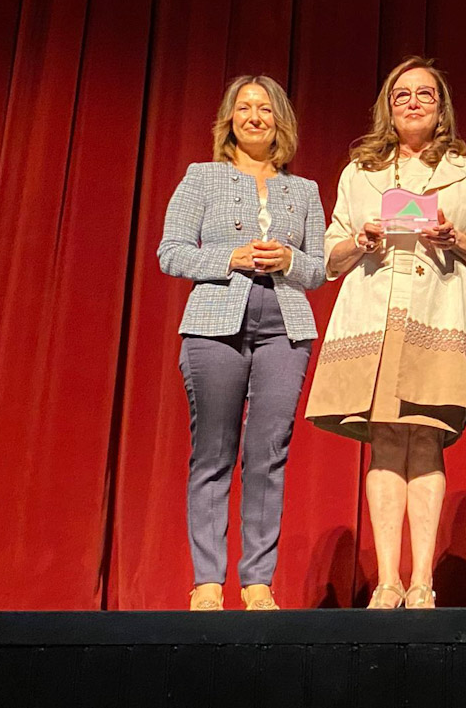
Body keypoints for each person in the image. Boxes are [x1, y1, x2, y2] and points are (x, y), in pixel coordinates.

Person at [306, 57, 466, 609]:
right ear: (387, 109)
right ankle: (388, 580)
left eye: (425, 95)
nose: (413, 103)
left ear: (442, 109)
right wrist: (360, 241)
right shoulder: (359, 172)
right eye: (402, 95)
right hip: (373, 311)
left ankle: (422, 581)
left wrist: (452, 237)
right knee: (386, 441)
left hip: (436, 312)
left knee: (425, 436)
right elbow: (330, 251)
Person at [158, 75, 326, 611]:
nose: (254, 117)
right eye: (243, 108)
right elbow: (171, 252)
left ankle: (257, 582)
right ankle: (208, 581)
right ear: (229, 118)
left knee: (267, 454)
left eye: (265, 109)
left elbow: (319, 269)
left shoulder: (304, 191)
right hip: (213, 325)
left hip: (286, 328)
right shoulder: (201, 177)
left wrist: (290, 262)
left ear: (280, 120)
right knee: (213, 451)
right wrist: (227, 258)